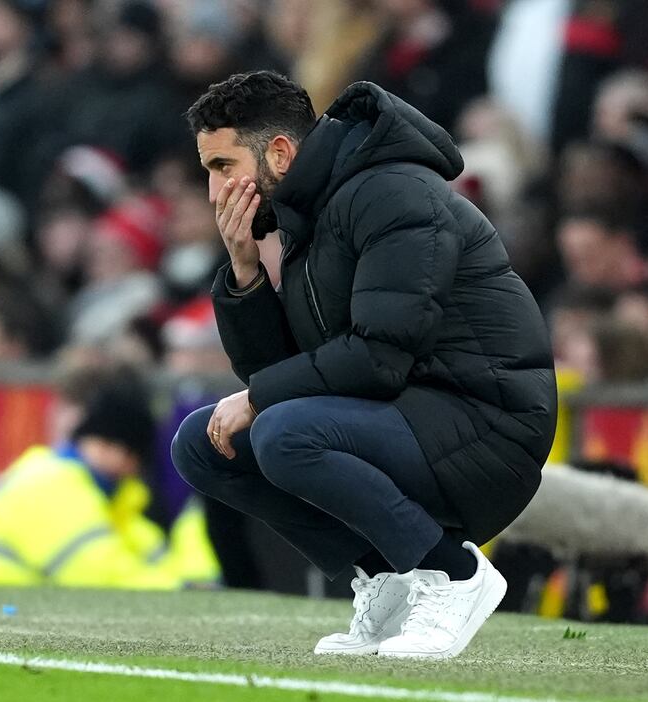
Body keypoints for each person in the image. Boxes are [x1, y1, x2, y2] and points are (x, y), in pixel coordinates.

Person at [171, 71, 556, 659]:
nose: (214, 191)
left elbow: (377, 357)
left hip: (487, 429)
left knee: (280, 429)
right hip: (407, 419)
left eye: (223, 166)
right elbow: (287, 374)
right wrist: (246, 272)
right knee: (202, 445)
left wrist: (257, 399)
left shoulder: (392, 193)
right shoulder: (307, 214)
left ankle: (454, 574)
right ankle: (390, 577)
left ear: (279, 153)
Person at [0, 384, 218, 589]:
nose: (137, 470)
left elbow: (147, 552)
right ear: (117, 450)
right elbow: (94, 570)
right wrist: (179, 590)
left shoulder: (101, 494)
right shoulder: (53, 483)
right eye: (136, 457)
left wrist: (188, 584)